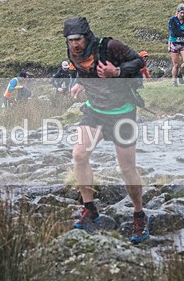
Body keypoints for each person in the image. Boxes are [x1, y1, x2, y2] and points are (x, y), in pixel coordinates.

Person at [63, 16, 150, 243]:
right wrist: (81, 82)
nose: (75, 44)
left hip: (123, 112)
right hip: (94, 111)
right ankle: (90, 209)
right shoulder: (73, 54)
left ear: (87, 36)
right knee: (79, 155)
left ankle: (139, 215)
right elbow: (85, 71)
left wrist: (117, 73)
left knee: (126, 169)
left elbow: (138, 62)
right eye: (71, 40)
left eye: (78, 39)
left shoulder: (109, 46)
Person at [168, 4, 184, 86]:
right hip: (174, 43)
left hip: (183, 43)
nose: (182, 15)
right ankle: (174, 82)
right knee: (176, 64)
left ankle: (180, 73)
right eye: (181, 13)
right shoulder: (172, 20)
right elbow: (174, 32)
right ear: (177, 13)